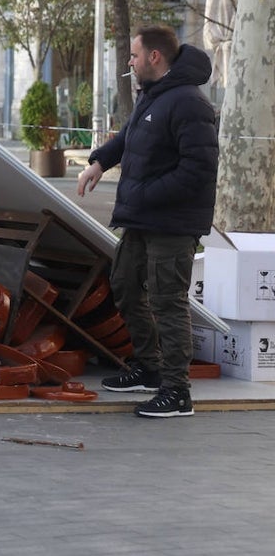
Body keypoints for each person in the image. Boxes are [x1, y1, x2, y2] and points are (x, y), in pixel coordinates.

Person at [77, 25, 219, 418]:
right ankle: (150, 367)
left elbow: (199, 170)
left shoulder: (189, 103)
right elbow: (129, 137)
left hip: (172, 224)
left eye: (134, 55)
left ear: (154, 57)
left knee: (167, 302)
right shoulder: (152, 96)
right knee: (123, 283)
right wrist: (99, 162)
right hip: (143, 219)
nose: (130, 61)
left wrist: (143, 194)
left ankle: (177, 392)